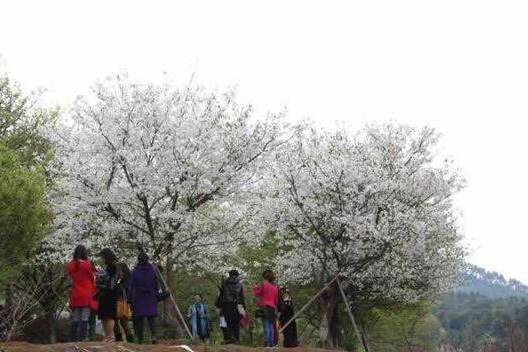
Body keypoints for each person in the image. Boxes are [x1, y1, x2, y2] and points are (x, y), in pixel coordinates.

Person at [66, 245, 97, 342]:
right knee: (84, 317)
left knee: (75, 318)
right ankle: (81, 339)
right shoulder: (87, 264)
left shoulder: (70, 264)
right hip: (86, 293)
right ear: (84, 253)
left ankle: (71, 339)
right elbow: (93, 278)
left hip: (75, 293)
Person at [130, 252, 159, 344]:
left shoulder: (135, 271)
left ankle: (140, 339)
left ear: (138, 260)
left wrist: (130, 299)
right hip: (150, 295)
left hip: (139, 296)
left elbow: (132, 285)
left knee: (140, 319)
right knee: (151, 318)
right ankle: (154, 336)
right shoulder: (153, 270)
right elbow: (156, 284)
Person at [95, 248, 120, 342]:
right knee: (103, 316)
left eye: (101, 257)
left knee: (109, 315)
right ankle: (107, 335)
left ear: (106, 257)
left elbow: (111, 281)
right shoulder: (104, 267)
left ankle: (110, 336)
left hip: (110, 294)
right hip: (102, 293)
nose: (100, 259)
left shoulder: (112, 267)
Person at [218, 269, 245, 344]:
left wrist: (218, 305)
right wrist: (243, 309)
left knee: (229, 323)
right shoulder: (239, 284)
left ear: (229, 275)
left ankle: (231, 339)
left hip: (227, 305)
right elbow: (241, 297)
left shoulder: (225, 283)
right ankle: (236, 339)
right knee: (236, 323)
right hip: (238, 305)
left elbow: (222, 295)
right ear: (237, 275)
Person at [254, 270, 279, 348]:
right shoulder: (275, 287)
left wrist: (255, 287)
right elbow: (276, 301)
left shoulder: (264, 284)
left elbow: (258, 294)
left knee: (266, 325)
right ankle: (271, 343)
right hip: (272, 307)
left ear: (265, 277)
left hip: (264, 306)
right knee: (271, 325)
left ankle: (267, 343)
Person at [114, 262, 134, 343]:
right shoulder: (119, 280)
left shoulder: (128, 281)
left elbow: (127, 292)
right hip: (118, 304)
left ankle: (130, 342)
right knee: (116, 323)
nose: (119, 273)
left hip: (123, 304)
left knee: (124, 323)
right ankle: (119, 340)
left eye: (120, 271)